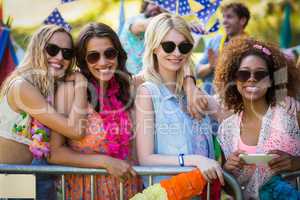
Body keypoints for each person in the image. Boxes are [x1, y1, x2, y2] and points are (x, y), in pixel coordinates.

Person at [48, 23, 143, 200]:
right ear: (84, 60)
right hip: (87, 191)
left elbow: (161, 69)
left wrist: (189, 80)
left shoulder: (127, 88)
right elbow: (55, 153)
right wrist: (104, 162)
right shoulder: (72, 89)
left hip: (128, 191)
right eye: (93, 56)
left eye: (109, 53)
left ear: (118, 54)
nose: (103, 62)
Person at [135, 13, 224, 189]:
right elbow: (145, 158)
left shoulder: (193, 93)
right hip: (168, 192)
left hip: (200, 192)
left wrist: (189, 81)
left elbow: (229, 115)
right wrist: (196, 161)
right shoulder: (147, 92)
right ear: (154, 48)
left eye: (184, 47)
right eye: (168, 46)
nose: (177, 53)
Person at [0, 24, 87, 199]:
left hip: (38, 179)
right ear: (38, 49)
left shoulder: (50, 88)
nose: (60, 57)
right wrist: (81, 83)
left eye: (67, 53)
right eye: (52, 49)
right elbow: (76, 130)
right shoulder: (22, 86)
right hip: (11, 183)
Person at [214, 37, 300, 199]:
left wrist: (294, 163)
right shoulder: (227, 129)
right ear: (234, 80)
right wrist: (227, 169)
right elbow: (229, 190)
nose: (251, 78)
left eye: (260, 74)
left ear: (271, 80)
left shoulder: (291, 114)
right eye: (243, 73)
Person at [196, 2, 250, 95]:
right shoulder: (214, 41)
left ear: (242, 20)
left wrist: (223, 65)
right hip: (209, 99)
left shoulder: (251, 46)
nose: (224, 21)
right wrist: (210, 66)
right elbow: (197, 72)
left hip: (235, 100)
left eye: (229, 17)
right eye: (223, 17)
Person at [119, 0, 162, 75]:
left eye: (161, 4)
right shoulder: (135, 19)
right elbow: (144, 24)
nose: (157, 6)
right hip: (130, 76)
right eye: (153, 3)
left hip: (152, 77)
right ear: (146, 4)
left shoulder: (163, 29)